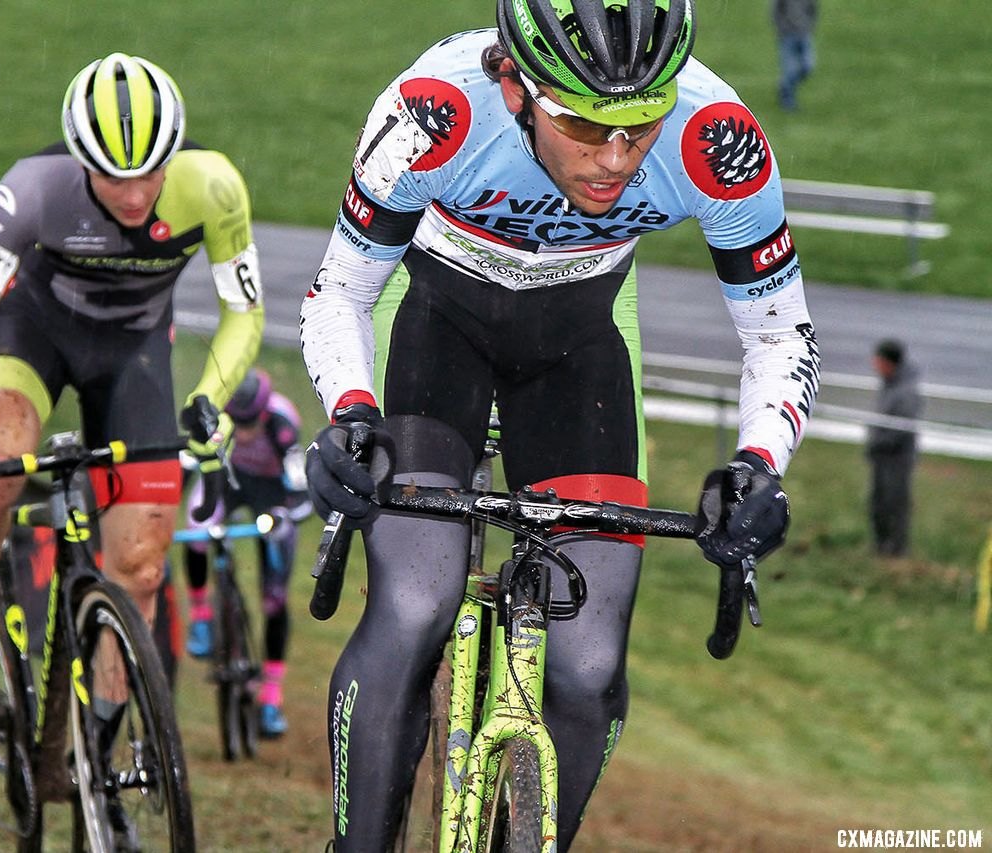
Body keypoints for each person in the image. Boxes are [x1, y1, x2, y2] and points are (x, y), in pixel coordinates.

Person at [299, 1, 820, 848]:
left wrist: (760, 463)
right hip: (434, 322)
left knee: (586, 669)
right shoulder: (434, 113)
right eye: (583, 125)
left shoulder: (714, 137)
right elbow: (340, 295)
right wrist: (352, 415)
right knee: (416, 601)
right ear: (515, 84)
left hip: (580, 345)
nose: (615, 159)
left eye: (640, 124)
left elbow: (777, 330)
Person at [0, 51, 264, 750]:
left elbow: (243, 313)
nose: (136, 193)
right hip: (34, 336)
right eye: (114, 174)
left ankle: (100, 766)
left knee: (140, 566)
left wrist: (208, 398)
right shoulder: (31, 191)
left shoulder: (215, 187)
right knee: (1, 464)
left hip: (134, 355)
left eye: (151, 170)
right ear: (81, 161)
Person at [181, 367, 311, 737]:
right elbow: (189, 465)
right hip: (228, 483)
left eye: (252, 420)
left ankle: (271, 696)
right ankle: (203, 616)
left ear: (264, 411)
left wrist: (289, 515)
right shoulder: (213, 419)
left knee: (274, 600)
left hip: (272, 494)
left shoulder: (283, 423)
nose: (248, 428)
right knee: (196, 529)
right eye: (241, 422)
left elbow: (301, 492)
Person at [866, 339, 922, 556]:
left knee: (895, 503)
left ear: (890, 362)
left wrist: (879, 443)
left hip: (897, 458)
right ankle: (881, 546)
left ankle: (897, 549)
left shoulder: (906, 391)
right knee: (878, 502)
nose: (875, 364)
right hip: (881, 456)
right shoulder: (888, 384)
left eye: (879, 360)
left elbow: (902, 428)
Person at [773, 0, 817, 111]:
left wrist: (810, 27)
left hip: (804, 34)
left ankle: (785, 86)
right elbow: (776, 11)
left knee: (808, 65)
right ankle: (788, 100)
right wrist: (782, 29)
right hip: (788, 35)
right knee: (790, 69)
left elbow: (813, 10)